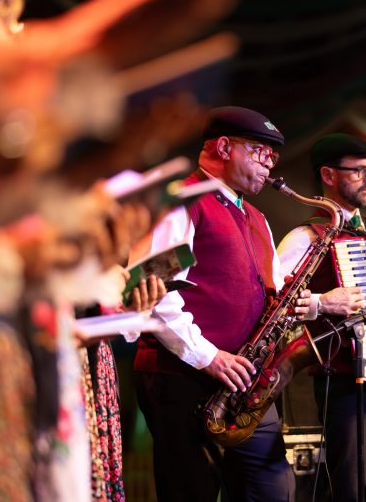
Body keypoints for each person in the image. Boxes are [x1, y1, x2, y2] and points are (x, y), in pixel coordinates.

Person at [131, 106, 311, 502]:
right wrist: (209, 357)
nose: (269, 166)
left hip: (244, 386)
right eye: (260, 152)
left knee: (274, 491)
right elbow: (151, 289)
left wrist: (315, 304)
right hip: (182, 378)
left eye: (273, 157)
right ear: (225, 147)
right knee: (190, 492)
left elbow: (275, 291)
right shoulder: (182, 202)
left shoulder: (258, 218)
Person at [278, 133, 366, 502]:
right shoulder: (303, 237)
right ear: (328, 175)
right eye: (358, 171)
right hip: (346, 381)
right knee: (350, 490)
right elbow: (275, 306)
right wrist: (323, 302)